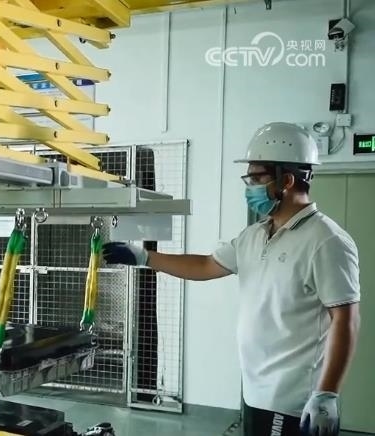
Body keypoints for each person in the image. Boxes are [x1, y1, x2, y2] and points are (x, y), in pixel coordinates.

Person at [103, 122, 361, 436]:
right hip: (255, 391)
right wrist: (145, 257)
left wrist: (327, 393)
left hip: (294, 399)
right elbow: (207, 265)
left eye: (257, 178)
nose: (249, 186)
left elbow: (345, 319)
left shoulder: (326, 241)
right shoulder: (254, 235)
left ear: (287, 180)